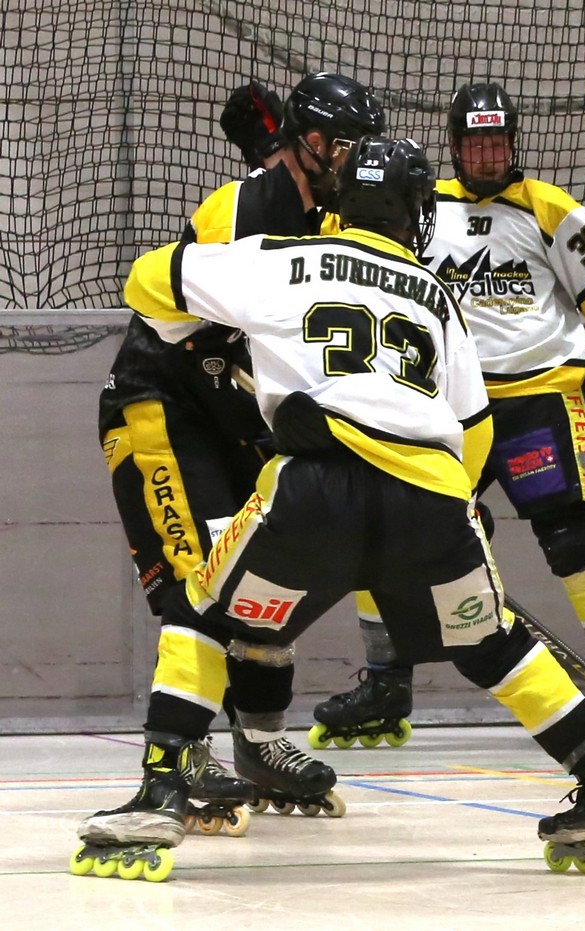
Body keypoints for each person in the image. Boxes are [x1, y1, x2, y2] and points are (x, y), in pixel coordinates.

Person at [71, 136, 585, 883]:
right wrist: (458, 515)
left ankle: (163, 784)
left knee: (206, 610)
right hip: (433, 495)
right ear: (417, 213)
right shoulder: (437, 295)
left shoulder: (280, 260)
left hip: (314, 490)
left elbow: (148, 279)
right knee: (493, 645)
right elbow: (474, 428)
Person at [313, 81, 585, 744]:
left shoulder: (549, 208)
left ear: (514, 143)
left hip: (538, 400)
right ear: (454, 146)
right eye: (475, 143)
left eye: (497, 142)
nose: (486, 155)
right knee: (386, 535)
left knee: (573, 540)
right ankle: (386, 682)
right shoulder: (419, 204)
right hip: (441, 406)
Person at [97, 72, 386, 818]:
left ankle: (259, 742)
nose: (356, 162)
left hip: (237, 418)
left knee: (263, 581)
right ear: (311, 144)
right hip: (161, 405)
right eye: (344, 147)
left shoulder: (331, 216)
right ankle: (182, 749)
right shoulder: (238, 212)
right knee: (200, 581)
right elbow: (183, 326)